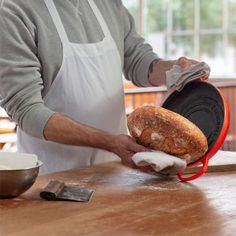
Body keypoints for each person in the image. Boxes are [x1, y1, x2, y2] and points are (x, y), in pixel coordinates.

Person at [0, 0, 203, 174]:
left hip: (117, 168)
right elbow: (27, 111)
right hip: (53, 177)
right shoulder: (13, 12)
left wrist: (176, 71)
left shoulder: (107, 3)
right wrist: (111, 143)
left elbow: (139, 61)